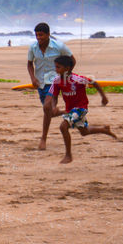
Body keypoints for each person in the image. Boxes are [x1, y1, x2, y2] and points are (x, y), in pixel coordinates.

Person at [46, 55, 116, 164]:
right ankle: (104, 129)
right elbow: (55, 97)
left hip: (81, 108)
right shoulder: (57, 81)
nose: (56, 70)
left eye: (58, 67)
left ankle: (68, 155)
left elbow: (93, 82)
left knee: (63, 126)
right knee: (84, 132)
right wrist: (54, 107)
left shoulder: (77, 79)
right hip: (70, 110)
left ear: (67, 68)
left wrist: (103, 97)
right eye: (55, 67)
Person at [27, 22, 75, 150]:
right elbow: (29, 64)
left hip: (55, 81)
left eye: (41, 35)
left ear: (48, 34)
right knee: (50, 111)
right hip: (41, 83)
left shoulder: (59, 46)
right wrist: (33, 78)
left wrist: (66, 75)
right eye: (37, 35)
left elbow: (72, 60)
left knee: (47, 106)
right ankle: (70, 111)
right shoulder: (33, 48)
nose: (39, 38)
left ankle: (43, 138)